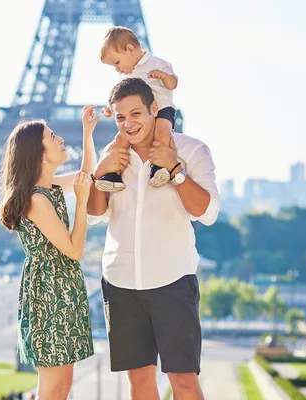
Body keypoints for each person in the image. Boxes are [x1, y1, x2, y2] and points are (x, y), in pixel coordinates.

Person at [87, 78, 221, 400]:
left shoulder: (191, 151)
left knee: (185, 383)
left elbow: (207, 212)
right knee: (139, 383)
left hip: (172, 282)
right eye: (121, 117)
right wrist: (99, 172)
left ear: (154, 109)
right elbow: (94, 213)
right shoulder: (112, 155)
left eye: (136, 114)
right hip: (121, 283)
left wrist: (175, 169)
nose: (129, 124)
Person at [0, 106, 100, 399]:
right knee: (53, 389)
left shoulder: (47, 187)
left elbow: (85, 174)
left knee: (63, 385)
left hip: (61, 289)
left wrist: (88, 133)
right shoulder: (36, 199)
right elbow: (74, 249)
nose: (60, 141)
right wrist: (81, 201)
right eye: (53, 138)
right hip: (49, 294)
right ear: (41, 154)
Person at [96, 26, 179, 192]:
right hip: (134, 116)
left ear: (130, 49)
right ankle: (113, 174)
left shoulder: (158, 64)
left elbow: (173, 84)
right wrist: (110, 108)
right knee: (120, 141)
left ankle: (159, 168)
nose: (117, 69)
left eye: (117, 62)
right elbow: (120, 98)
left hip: (162, 109)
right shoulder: (126, 76)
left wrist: (164, 76)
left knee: (162, 134)